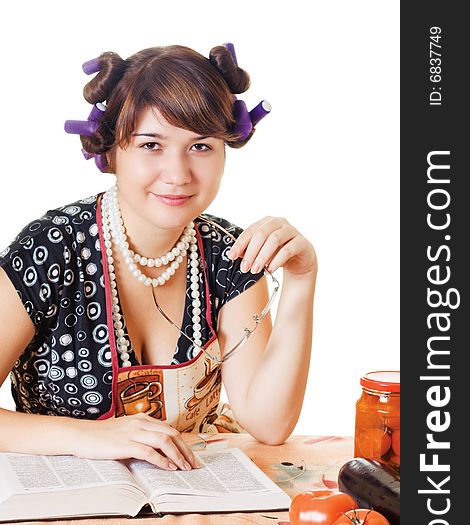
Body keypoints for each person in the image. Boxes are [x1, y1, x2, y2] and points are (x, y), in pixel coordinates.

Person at [0, 43, 317, 472]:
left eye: (201, 146)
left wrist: (301, 279)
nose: (178, 174)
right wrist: (85, 437)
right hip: (63, 507)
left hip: (188, 503)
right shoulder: (52, 247)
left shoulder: (230, 253)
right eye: (151, 144)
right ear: (111, 150)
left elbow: (269, 424)